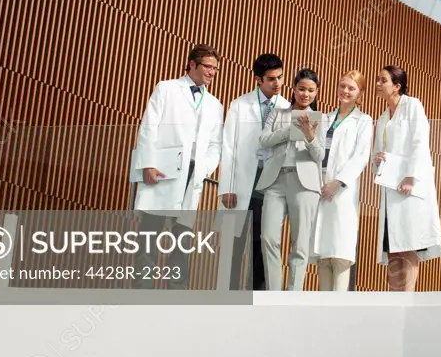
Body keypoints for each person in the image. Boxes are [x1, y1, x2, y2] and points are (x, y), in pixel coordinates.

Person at [130, 44, 224, 289]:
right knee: (149, 238)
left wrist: (203, 171)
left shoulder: (215, 105)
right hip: (162, 173)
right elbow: (149, 126)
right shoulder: (167, 88)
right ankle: (140, 297)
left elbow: (216, 145)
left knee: (181, 243)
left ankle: (175, 300)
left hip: (192, 177)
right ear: (192, 64)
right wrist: (148, 164)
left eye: (215, 69)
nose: (212, 72)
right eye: (208, 67)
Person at [218, 54, 286, 291]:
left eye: (280, 77)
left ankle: (258, 298)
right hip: (241, 184)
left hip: (270, 186)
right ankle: (227, 298)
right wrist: (226, 187)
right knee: (233, 243)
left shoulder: (287, 107)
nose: (277, 83)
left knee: (262, 242)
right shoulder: (239, 105)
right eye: (271, 79)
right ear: (258, 79)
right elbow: (228, 148)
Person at [372, 66, 441, 291]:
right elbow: (378, 152)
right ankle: (394, 297)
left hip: (409, 187)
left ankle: (408, 295)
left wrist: (411, 177)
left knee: (409, 243)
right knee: (393, 245)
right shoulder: (382, 118)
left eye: (383, 80)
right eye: (377, 79)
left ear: (397, 86)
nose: (378, 83)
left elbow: (419, 142)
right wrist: (378, 161)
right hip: (391, 187)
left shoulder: (413, 106)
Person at [254, 68, 325, 291]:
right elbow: (264, 140)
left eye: (311, 91)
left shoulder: (319, 118)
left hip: (305, 186)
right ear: (293, 89)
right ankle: (274, 293)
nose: (305, 94)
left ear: (316, 93)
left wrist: (310, 135)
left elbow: (320, 155)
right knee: (268, 237)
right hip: (275, 182)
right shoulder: (277, 113)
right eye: (301, 89)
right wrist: (288, 131)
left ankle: (294, 295)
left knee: (300, 244)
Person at [312, 70, 373, 291]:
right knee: (323, 256)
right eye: (342, 85)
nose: (345, 91)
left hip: (342, 192)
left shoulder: (363, 121)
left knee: (340, 253)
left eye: (351, 88)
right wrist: (318, 183)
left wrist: (337, 183)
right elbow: (316, 152)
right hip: (320, 188)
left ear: (360, 93)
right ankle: (323, 313)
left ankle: (338, 310)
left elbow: (361, 156)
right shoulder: (325, 118)